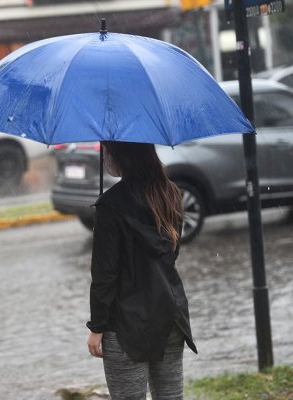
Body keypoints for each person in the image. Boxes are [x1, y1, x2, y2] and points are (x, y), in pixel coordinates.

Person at [86, 141, 197, 400]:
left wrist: (97, 326)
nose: (104, 156)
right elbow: (171, 253)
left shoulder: (110, 206)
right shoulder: (170, 193)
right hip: (170, 315)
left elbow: (105, 275)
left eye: (107, 151)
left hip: (126, 326)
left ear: (121, 155)